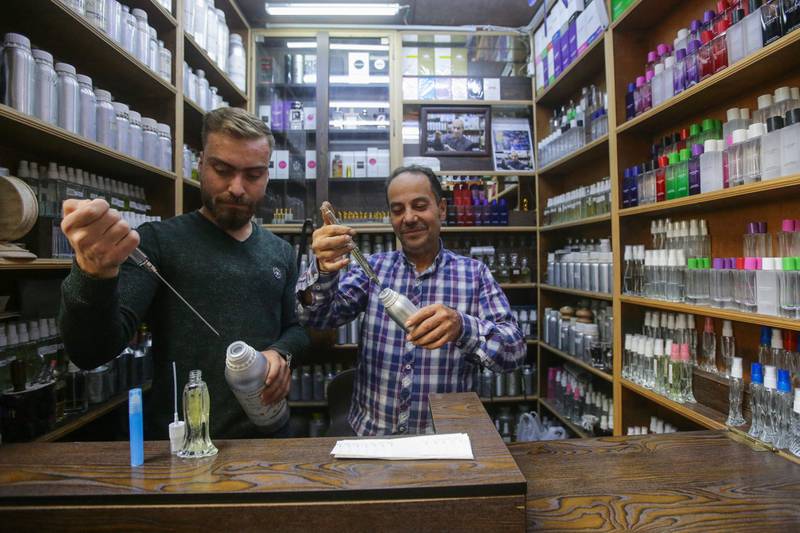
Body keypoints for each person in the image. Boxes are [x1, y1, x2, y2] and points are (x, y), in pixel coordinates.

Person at [58, 107, 309, 439]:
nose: (237, 187)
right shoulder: (158, 241)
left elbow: (297, 329)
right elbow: (90, 351)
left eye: (253, 174)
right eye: (222, 169)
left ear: (267, 174)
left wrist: (281, 352)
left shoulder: (279, 252)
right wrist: (92, 275)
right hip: (184, 446)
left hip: (267, 437)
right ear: (201, 163)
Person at [296, 165, 525, 436]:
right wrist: (322, 270)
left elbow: (514, 351)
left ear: (441, 209)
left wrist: (462, 327)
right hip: (373, 436)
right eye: (397, 210)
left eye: (419, 205)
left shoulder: (474, 275)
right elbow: (317, 317)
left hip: (444, 438)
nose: (409, 218)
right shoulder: (372, 269)